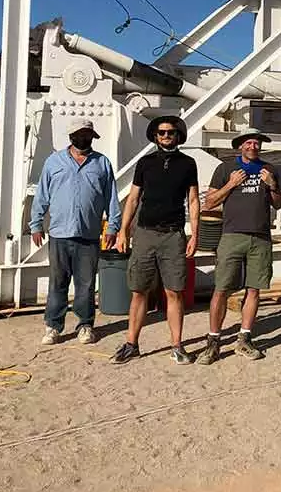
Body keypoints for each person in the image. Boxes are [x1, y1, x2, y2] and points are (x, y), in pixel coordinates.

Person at [111, 115, 200, 365]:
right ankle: (132, 344)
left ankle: (177, 346)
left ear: (178, 135)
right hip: (144, 233)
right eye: (161, 133)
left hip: (173, 234)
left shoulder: (188, 164)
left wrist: (195, 234)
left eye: (170, 132)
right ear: (155, 136)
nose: (166, 136)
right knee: (139, 291)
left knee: (174, 291)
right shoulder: (145, 163)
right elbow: (133, 199)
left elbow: (193, 200)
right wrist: (122, 231)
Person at [28, 118, 121, 346]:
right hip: (60, 233)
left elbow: (111, 198)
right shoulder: (53, 162)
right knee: (58, 282)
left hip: (88, 235)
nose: (84, 138)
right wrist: (36, 223)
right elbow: (42, 195)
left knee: (86, 284)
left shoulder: (102, 163)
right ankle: (53, 326)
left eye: (87, 134)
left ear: (93, 137)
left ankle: (85, 325)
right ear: (71, 136)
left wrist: (112, 226)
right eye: (79, 134)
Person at [197, 128, 281, 364]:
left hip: (260, 237)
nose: (253, 146)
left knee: (254, 288)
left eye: (256, 142)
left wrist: (272, 185)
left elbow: (277, 204)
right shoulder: (226, 168)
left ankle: (244, 339)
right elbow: (209, 203)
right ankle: (213, 342)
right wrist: (231, 184)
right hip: (231, 235)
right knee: (222, 288)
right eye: (248, 142)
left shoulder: (270, 169)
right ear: (240, 146)